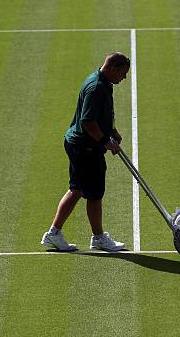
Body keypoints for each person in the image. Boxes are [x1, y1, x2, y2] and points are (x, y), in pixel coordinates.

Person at [41, 52, 130, 251]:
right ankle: (96, 237)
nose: (123, 78)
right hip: (85, 148)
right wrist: (106, 141)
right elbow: (87, 121)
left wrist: (112, 130)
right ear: (113, 68)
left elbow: (103, 114)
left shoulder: (104, 82)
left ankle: (54, 234)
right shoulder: (96, 88)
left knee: (78, 190)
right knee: (93, 193)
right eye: (122, 74)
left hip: (83, 145)